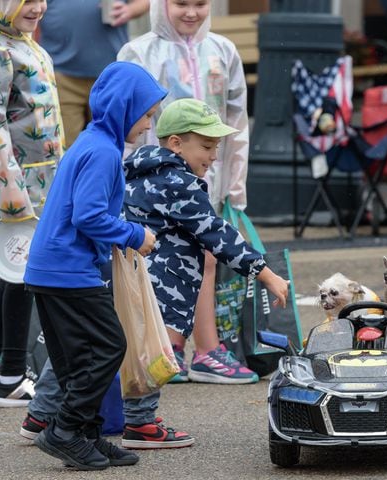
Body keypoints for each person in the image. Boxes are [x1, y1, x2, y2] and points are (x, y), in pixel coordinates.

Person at [19, 98, 290, 450]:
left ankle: (41, 413)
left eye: (216, 148)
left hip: (119, 277)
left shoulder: (135, 169)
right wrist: (265, 273)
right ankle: (141, 423)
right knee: (153, 352)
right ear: (176, 143)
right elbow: (217, 233)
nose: (212, 156)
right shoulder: (179, 182)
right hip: (162, 284)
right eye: (206, 146)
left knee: (84, 350)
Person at [24, 61, 160, 470]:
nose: (149, 124)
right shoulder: (102, 151)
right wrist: (137, 236)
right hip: (68, 270)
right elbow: (89, 217)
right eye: (147, 114)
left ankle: (84, 434)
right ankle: (65, 430)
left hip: (50, 268)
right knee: (108, 346)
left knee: (76, 360)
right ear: (125, 107)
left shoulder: (92, 141)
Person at [118, 0, 256, 384]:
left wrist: (235, 183)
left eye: (200, 3)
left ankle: (190, 348)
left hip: (205, 173)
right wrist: (127, 175)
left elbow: (235, 120)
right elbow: (129, 118)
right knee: (162, 260)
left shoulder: (222, 50)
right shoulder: (139, 50)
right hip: (154, 177)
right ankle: (180, 348)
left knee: (206, 255)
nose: (191, 12)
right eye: (181, 3)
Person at [0, 0, 64, 408]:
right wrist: (12, 198)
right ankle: (11, 377)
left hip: (41, 176)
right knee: (25, 273)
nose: (37, 7)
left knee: (15, 273)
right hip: (17, 182)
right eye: (25, 0)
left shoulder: (21, 42)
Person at [39, 0, 150, 148]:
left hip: (109, 77)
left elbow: (146, 2)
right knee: (64, 146)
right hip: (61, 76)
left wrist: (129, 10)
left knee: (111, 143)